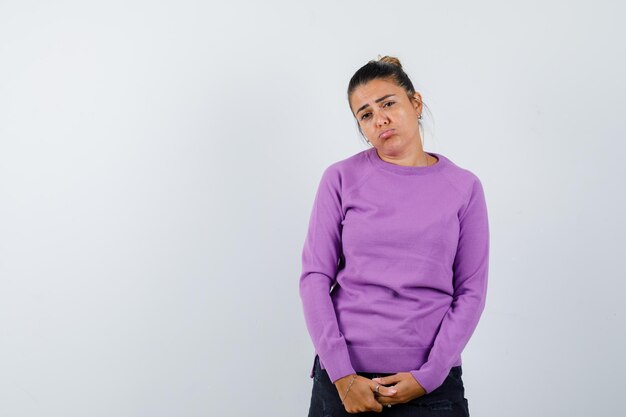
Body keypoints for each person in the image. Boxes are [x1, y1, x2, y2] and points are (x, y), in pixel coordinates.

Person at [299, 56, 490, 416]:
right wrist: (342, 376)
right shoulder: (340, 179)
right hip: (346, 384)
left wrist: (429, 376)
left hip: (430, 386)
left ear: (415, 103)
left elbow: (471, 291)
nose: (380, 119)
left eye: (388, 104)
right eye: (365, 114)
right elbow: (314, 277)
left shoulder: (463, 188)